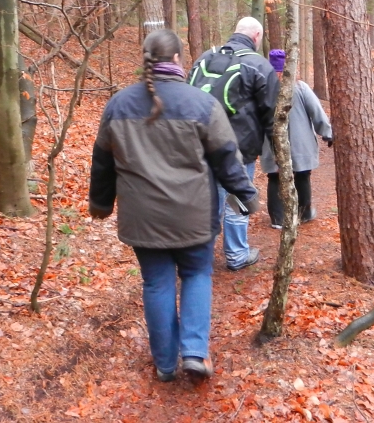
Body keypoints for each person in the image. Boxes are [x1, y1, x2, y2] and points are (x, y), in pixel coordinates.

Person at [88, 29, 259, 383]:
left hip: (142, 218)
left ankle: (165, 364)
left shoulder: (119, 105)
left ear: (145, 59)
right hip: (193, 214)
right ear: (178, 60)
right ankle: (195, 353)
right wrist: (246, 193)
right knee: (197, 274)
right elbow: (227, 158)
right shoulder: (201, 104)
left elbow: (102, 161)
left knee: (156, 283)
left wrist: (101, 203)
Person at [189, 17, 279, 271]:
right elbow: (271, 113)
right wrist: (279, 152)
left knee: (207, 201)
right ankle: (237, 254)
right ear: (257, 36)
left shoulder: (205, 57)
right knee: (236, 200)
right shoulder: (259, 65)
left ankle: (199, 258)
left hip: (200, 144)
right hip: (239, 149)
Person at [260, 49, 332, 229]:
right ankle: (304, 213)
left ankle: (277, 219)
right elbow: (316, 112)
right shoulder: (299, 87)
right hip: (301, 145)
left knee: (275, 177)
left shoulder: (262, 90)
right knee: (302, 175)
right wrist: (327, 131)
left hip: (271, 145)